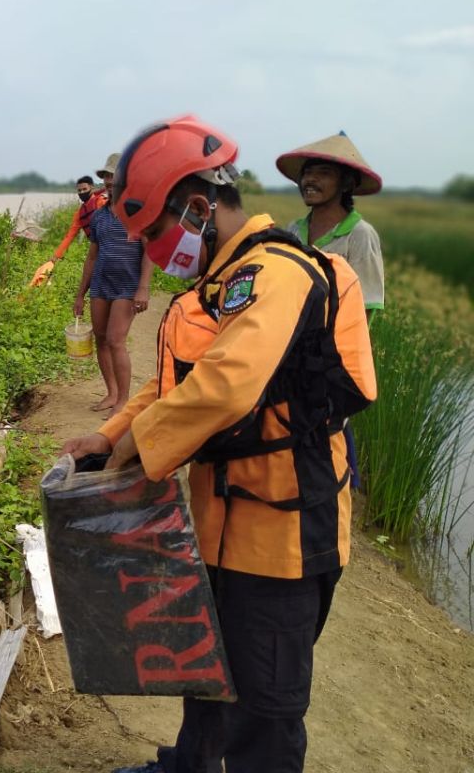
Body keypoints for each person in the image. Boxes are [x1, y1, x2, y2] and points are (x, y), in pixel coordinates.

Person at [60, 116, 376, 773]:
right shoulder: (215, 287)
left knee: (265, 711)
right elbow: (180, 385)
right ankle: (187, 767)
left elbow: (227, 386)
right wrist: (110, 433)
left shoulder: (278, 274)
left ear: (200, 207)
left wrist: (134, 454)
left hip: (285, 536)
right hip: (216, 524)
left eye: (153, 234)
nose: (150, 251)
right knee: (206, 675)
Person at [74, 153, 155, 416]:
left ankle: (123, 400)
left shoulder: (138, 213)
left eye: (115, 176)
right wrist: (80, 294)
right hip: (101, 284)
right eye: (107, 176)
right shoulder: (99, 216)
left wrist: (143, 288)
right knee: (100, 338)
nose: (110, 181)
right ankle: (110, 393)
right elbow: (92, 256)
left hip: (127, 286)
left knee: (116, 340)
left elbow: (150, 252)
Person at [277, 131, 385, 318]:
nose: (310, 179)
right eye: (307, 173)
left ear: (346, 184)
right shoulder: (293, 230)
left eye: (324, 173)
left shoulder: (359, 234)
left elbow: (364, 306)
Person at [30, 174, 110, 286]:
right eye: (79, 190)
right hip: (97, 247)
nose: (82, 192)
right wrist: (56, 256)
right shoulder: (79, 214)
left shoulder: (100, 201)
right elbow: (69, 236)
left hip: (112, 243)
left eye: (84, 189)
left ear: (91, 187)